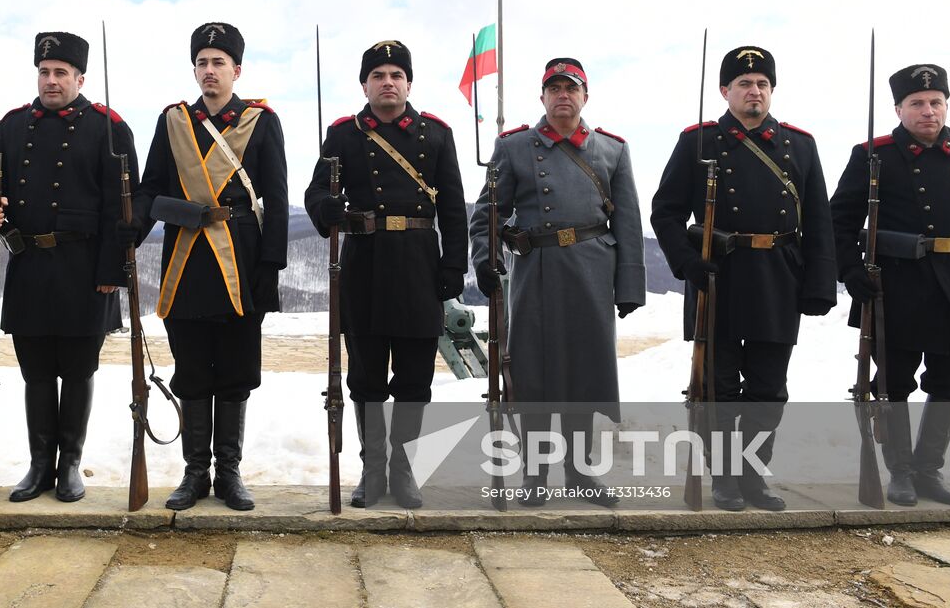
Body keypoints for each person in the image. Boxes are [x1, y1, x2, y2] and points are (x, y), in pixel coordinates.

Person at [651, 45, 836, 511]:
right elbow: (665, 212)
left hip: (779, 277)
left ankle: (754, 477)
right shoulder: (698, 141)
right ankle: (725, 480)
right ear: (725, 91)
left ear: (771, 90)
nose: (754, 91)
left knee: (768, 391)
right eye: (744, 84)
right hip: (719, 277)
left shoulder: (800, 145)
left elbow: (819, 221)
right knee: (719, 390)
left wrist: (820, 283)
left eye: (762, 84)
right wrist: (687, 262)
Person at [830, 63, 950, 507]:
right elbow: (839, 219)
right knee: (894, 382)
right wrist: (851, 272)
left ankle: (929, 470)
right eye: (917, 103)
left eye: (936, 102)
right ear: (899, 109)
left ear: (945, 105)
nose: (928, 111)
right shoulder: (873, 154)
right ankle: (901, 473)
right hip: (897, 283)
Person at [470, 58, 645, 507]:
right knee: (533, 375)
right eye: (554, 88)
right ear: (543, 97)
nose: (563, 95)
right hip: (537, 271)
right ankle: (535, 474)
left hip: (592, 271)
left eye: (572, 87)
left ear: (585, 96)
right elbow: (485, 216)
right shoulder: (513, 148)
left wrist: (629, 286)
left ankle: (581, 473)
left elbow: (627, 223)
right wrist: (486, 261)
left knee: (585, 373)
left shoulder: (613, 150)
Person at [305, 40, 467, 509]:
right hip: (365, 266)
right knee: (367, 376)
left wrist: (453, 264)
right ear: (365, 84)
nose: (388, 82)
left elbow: (453, 206)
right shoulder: (343, 135)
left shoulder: (436, 134)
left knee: (415, 378)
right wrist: (327, 208)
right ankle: (373, 471)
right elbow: (315, 192)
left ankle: (404, 470)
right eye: (378, 75)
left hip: (419, 263)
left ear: (409, 83)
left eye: (396, 74)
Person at [0, 32, 136, 502]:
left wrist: (113, 271)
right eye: (44, 72)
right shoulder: (12, 126)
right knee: (36, 372)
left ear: (79, 78)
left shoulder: (108, 127)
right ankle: (39, 464)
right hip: (28, 265)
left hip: (85, 269)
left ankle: (70, 465)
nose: (51, 81)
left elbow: (122, 208)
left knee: (79, 369)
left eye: (61, 73)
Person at [133, 22, 288, 511]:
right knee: (193, 369)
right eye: (202, 62)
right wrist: (131, 235)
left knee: (236, 371)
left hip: (241, 257)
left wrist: (271, 266)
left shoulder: (261, 122)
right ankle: (195, 473)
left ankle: (230, 473)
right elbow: (150, 191)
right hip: (185, 259)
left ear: (236, 70)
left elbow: (278, 200)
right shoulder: (173, 121)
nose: (209, 70)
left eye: (218, 62)